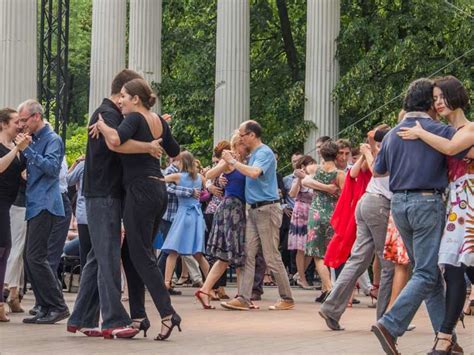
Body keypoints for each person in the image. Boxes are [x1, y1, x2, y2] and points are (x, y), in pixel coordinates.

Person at [371, 78, 468, 355]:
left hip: (398, 205)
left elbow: (379, 171)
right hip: (427, 202)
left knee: (429, 275)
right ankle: (390, 324)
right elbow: (460, 153)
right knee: (426, 272)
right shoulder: (440, 131)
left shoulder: (391, 134)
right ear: (430, 104)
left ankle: (446, 340)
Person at [67, 69, 162, 339]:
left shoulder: (108, 115)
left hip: (102, 192)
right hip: (105, 193)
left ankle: (82, 318)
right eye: (127, 97)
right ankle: (112, 320)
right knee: (108, 256)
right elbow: (116, 143)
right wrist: (148, 145)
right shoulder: (108, 115)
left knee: (98, 257)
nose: (128, 102)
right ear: (121, 93)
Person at [95, 77, 182, 341]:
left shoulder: (133, 118)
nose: (120, 100)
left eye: (123, 96)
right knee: (131, 253)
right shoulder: (158, 121)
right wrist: (152, 143)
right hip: (158, 189)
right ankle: (138, 316)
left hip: (140, 190)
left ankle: (168, 314)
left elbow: (116, 141)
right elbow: (175, 151)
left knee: (141, 255)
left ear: (135, 99)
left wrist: (102, 124)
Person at [397, 75, 474, 354]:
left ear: (456, 96)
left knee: (459, 269)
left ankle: (444, 338)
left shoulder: (469, 129)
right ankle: (444, 338)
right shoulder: (441, 130)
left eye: (442, 97)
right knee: (453, 270)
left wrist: (419, 132)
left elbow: (453, 148)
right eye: (435, 98)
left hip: (471, 203)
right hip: (456, 205)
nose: (438, 103)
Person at [319, 127, 396, 331]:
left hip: (365, 204)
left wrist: (370, 150)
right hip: (378, 205)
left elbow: (358, 172)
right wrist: (369, 152)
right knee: (389, 264)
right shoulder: (389, 151)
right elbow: (363, 172)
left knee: (358, 259)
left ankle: (331, 308)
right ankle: (386, 319)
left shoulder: (380, 152)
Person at [220, 120, 294, 311]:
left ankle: (287, 298)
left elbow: (254, 173)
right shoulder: (254, 154)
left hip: (266, 209)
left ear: (252, 135)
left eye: (243, 135)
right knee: (248, 254)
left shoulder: (264, 153)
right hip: (254, 209)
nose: (241, 138)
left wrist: (233, 162)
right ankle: (244, 297)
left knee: (271, 256)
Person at [17, 99, 69, 324]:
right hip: (36, 203)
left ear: (36, 117)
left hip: (46, 203)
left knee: (36, 257)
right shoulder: (36, 139)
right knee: (30, 258)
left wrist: (28, 151)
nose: (21, 125)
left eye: (24, 120)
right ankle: (44, 305)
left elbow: (51, 169)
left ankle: (57, 305)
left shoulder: (52, 139)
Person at [196, 134, 247, 309]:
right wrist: (214, 182)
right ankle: (241, 296)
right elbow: (208, 174)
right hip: (231, 208)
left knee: (230, 255)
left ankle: (206, 291)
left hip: (238, 208)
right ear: (237, 144)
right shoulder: (229, 159)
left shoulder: (245, 162)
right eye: (242, 143)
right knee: (235, 254)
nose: (245, 146)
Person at [161, 151, 210, 292]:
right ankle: (212, 285)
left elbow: (162, 180)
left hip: (183, 215)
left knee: (172, 251)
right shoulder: (200, 177)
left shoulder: (178, 176)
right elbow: (207, 191)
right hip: (197, 216)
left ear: (182, 163)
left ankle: (166, 282)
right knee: (198, 254)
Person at [303, 141, 345, 302]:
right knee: (330, 251)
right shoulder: (340, 174)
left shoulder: (315, 169)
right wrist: (330, 189)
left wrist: (320, 187)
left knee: (317, 253)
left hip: (315, 214)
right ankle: (331, 286)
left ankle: (328, 286)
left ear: (321, 154)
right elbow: (343, 196)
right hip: (333, 215)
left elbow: (305, 180)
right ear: (336, 155)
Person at [0, 108, 28, 322]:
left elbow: (23, 174)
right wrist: (17, 149)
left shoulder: (16, 148)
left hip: (9, 203)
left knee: (5, 251)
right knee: (4, 249)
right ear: (3, 124)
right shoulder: (6, 147)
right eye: (16, 121)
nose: (20, 125)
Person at [287, 155, 315, 289]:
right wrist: (299, 179)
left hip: (312, 211)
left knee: (311, 248)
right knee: (301, 248)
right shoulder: (298, 179)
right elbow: (292, 194)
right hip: (301, 212)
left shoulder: (315, 178)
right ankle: (302, 279)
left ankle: (299, 274)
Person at [66, 156, 89, 271]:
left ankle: (86, 286)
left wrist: (76, 163)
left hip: (84, 215)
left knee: (85, 254)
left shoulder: (83, 165)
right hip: (101, 215)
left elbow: (66, 181)